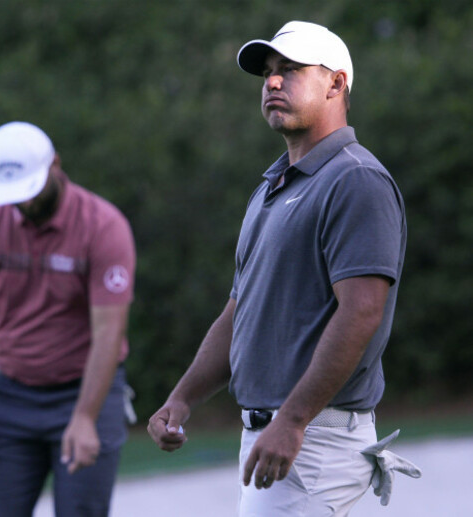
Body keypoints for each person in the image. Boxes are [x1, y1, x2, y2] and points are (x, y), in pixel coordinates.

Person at [148, 21, 419, 516]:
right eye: (268, 72)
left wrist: (292, 420)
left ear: (337, 83)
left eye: (290, 70)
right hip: (280, 436)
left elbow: (361, 312)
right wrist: (182, 398)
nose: (272, 82)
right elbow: (240, 309)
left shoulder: (356, 180)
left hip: (311, 439)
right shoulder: (274, 185)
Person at [0, 121, 136, 517]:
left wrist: (84, 416)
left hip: (86, 391)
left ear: (56, 164)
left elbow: (108, 330)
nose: (23, 204)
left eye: (30, 191)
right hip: (9, 397)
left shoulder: (103, 226)